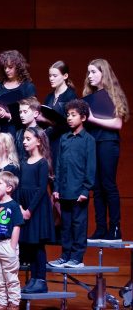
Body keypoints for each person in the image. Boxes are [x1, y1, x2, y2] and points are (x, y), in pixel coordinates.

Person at [84, 58, 129, 241]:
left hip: (108, 143)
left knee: (108, 185)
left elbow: (118, 123)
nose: (90, 76)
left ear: (104, 73)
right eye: (88, 72)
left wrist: (93, 119)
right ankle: (101, 228)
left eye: (94, 72)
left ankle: (115, 228)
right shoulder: (92, 96)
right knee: (97, 187)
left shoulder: (112, 94)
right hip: (94, 143)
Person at [49, 100, 96, 268]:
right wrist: (56, 189)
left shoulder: (88, 140)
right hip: (64, 191)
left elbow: (90, 167)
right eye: (68, 115)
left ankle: (77, 258)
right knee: (66, 225)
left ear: (83, 117)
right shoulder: (64, 138)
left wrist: (85, 190)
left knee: (78, 224)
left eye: (73, 115)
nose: (69, 118)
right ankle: (65, 256)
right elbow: (59, 165)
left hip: (79, 192)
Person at [18, 127, 55, 293]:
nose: (24, 142)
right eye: (24, 139)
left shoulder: (42, 163)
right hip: (25, 206)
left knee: (38, 245)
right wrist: (20, 207)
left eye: (28, 139)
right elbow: (19, 187)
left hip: (37, 208)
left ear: (38, 141)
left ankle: (41, 280)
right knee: (30, 245)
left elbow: (41, 189)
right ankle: (33, 278)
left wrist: (29, 210)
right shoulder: (24, 163)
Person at [0, 171, 23, 310]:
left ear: (9, 188)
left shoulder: (13, 206)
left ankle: (13, 303)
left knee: (11, 277)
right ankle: (1, 302)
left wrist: (12, 248)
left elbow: (16, 226)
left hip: (6, 245)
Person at [0, 50, 36, 137]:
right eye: (5, 68)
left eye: (10, 67)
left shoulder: (27, 87)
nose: (7, 70)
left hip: (19, 131)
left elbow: (32, 112)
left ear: (18, 67)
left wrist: (7, 115)